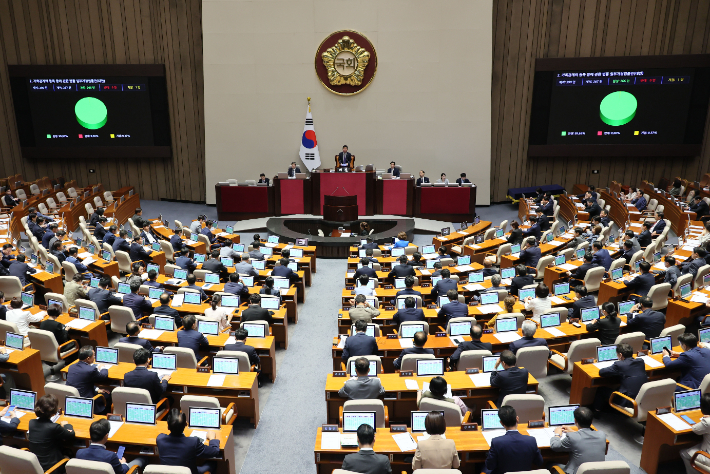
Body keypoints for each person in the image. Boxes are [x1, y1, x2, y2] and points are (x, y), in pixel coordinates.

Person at [156, 408, 220, 474]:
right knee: (212, 462)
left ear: (168, 427)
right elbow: (215, 451)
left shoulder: (160, 439)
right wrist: (212, 438)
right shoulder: (193, 442)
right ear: (185, 425)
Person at [483, 405, 543, 474]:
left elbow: (490, 466)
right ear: (517, 419)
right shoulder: (531, 440)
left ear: (501, 423)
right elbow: (539, 462)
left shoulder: (496, 442)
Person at [593, 343, 647, 414]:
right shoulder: (640, 361)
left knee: (601, 389)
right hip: (641, 398)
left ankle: (596, 413)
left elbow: (602, 372)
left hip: (628, 401)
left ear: (620, 355)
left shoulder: (619, 364)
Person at [77, 419, 146, 474]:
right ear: (106, 436)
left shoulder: (79, 453)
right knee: (143, 459)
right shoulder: (111, 456)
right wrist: (123, 463)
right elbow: (122, 472)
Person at [29, 394, 75, 472]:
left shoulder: (31, 423)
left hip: (36, 464)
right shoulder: (54, 427)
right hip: (52, 468)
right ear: (53, 412)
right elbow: (70, 435)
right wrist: (67, 425)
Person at [66, 347, 111, 413]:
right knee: (109, 394)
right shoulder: (90, 370)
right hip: (86, 401)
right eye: (94, 356)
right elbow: (103, 376)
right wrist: (103, 367)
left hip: (71, 400)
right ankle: (104, 413)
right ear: (88, 358)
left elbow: (81, 382)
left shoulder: (71, 367)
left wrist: (97, 389)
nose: (94, 357)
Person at [681, 393, 710, 474]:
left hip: (709, 456)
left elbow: (695, 429)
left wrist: (704, 418)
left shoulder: (707, 422)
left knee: (684, 453)